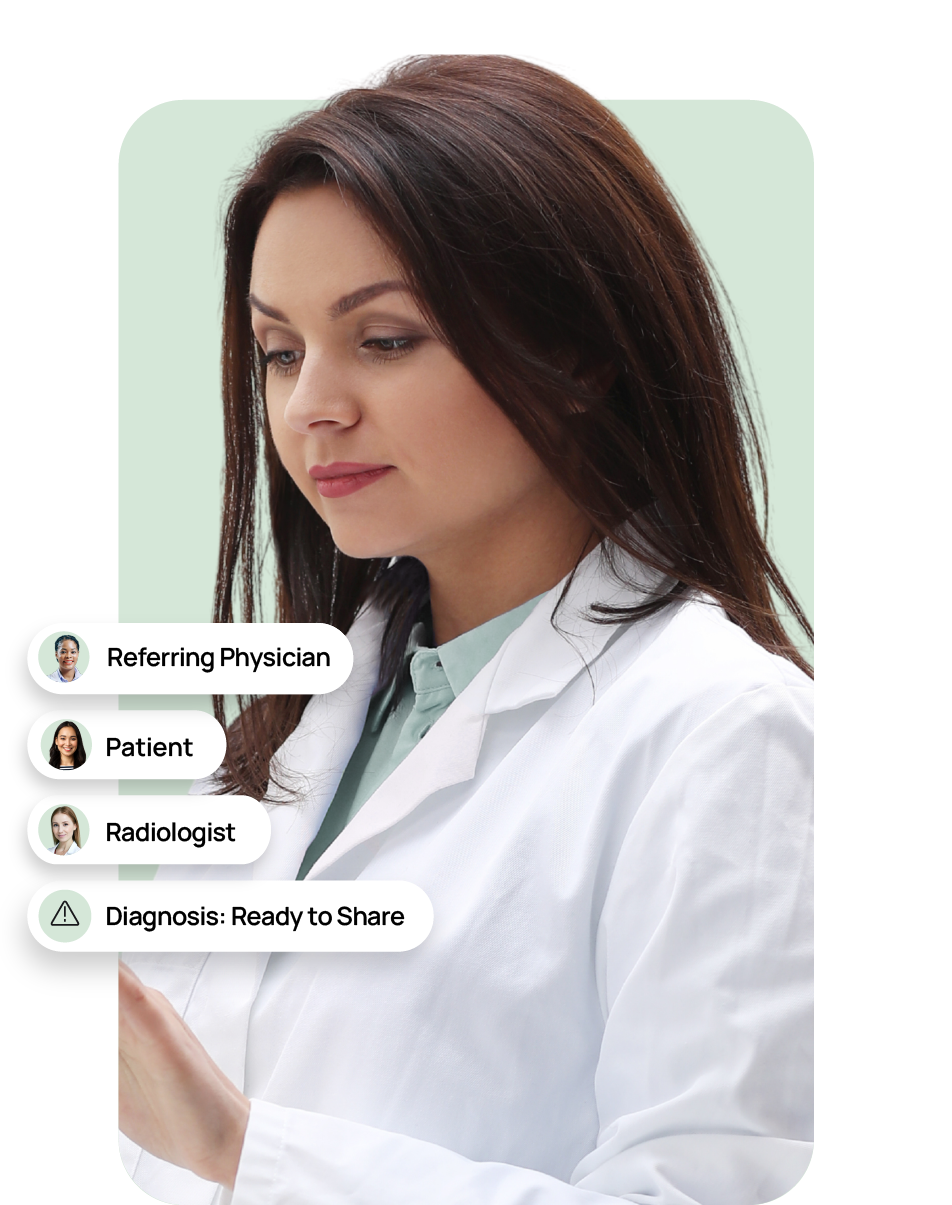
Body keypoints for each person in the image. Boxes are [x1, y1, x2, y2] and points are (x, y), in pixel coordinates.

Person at [118, 55, 816, 1205]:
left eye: (384, 339)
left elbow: (691, 1191)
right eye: (279, 351)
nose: (310, 408)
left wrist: (248, 1150)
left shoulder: (715, 725)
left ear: (580, 351)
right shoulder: (295, 722)